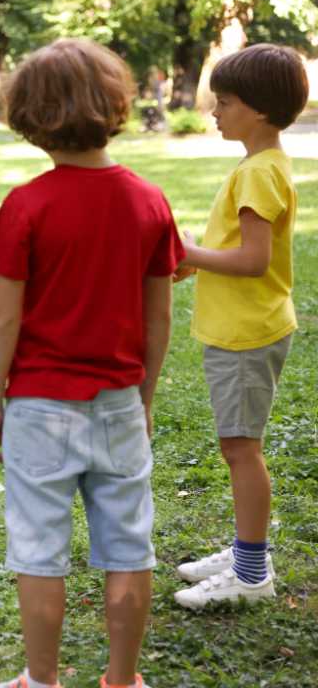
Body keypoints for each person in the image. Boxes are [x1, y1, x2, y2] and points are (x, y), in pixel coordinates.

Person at [0, 40, 183, 688]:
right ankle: (123, 680)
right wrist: (144, 397)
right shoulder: (149, 202)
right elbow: (159, 317)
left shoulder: (27, 205)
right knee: (129, 546)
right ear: (114, 105)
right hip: (119, 401)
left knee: (39, 551)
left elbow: (4, 318)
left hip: (38, 406)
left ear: (31, 117)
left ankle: (42, 680)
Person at [170, 44, 308, 610]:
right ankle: (244, 550)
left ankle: (251, 572)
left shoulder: (258, 174)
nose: (214, 112)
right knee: (238, 446)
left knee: (241, 449)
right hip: (245, 328)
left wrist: (192, 253)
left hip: (248, 334)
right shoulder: (264, 166)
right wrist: (196, 256)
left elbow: (253, 261)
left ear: (258, 109)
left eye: (224, 102)